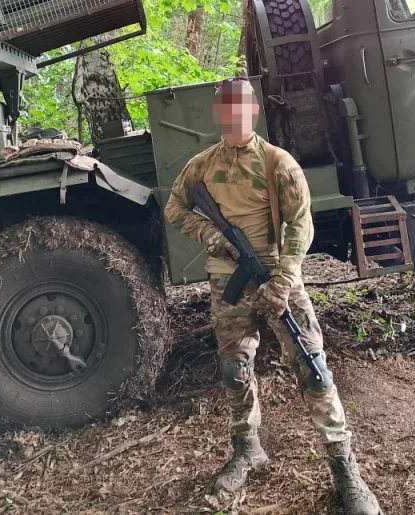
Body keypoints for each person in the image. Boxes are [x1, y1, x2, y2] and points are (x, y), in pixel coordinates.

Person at [163, 76, 382, 515]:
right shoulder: (202, 166)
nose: (233, 115)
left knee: (313, 367)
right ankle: (247, 449)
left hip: (278, 278)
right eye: (225, 108)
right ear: (217, 113)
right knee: (234, 369)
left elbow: (301, 224)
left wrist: (284, 280)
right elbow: (174, 208)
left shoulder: (277, 163)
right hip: (229, 283)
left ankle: (345, 468)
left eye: (240, 107)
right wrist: (210, 233)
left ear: (253, 111)